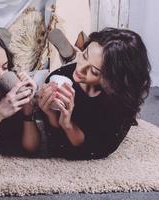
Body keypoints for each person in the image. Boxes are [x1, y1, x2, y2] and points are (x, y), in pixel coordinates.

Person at [29, 28, 151, 159]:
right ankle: (73, 57)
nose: (80, 69)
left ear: (112, 80)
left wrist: (68, 125)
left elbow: (96, 151)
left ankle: (72, 56)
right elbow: (57, 145)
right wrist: (50, 114)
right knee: (37, 82)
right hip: (63, 76)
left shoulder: (120, 104)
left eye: (94, 71)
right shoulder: (61, 77)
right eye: (85, 55)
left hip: (104, 108)